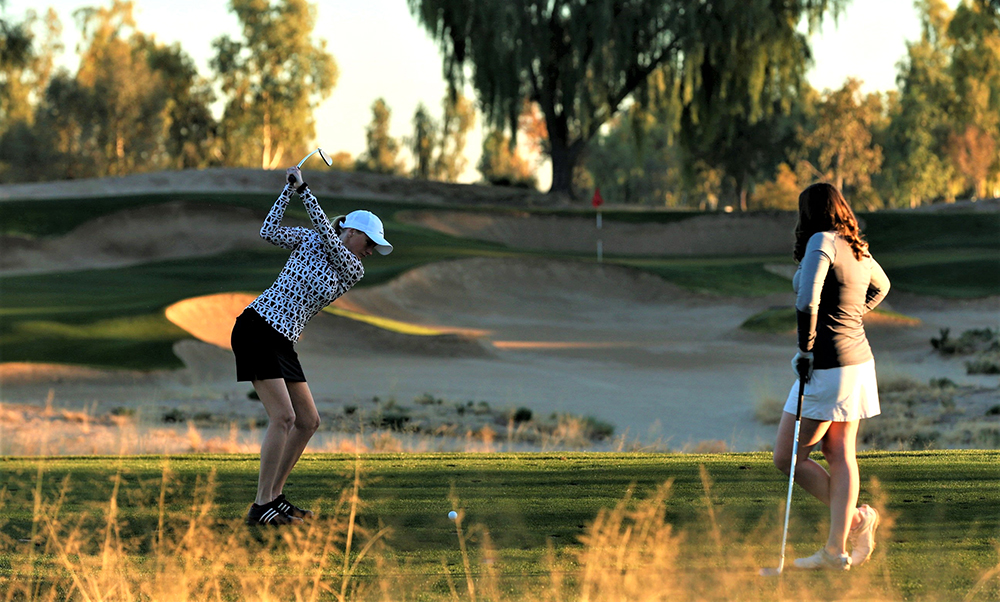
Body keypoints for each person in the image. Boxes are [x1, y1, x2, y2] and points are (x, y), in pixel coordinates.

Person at [231, 166, 392, 526]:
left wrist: (306, 190)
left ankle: (275, 497)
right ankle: (261, 506)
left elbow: (330, 240)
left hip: (283, 340)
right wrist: (288, 190)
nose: (370, 252)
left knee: (308, 421)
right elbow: (268, 231)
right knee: (284, 417)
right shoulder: (311, 238)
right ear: (352, 232)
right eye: (369, 243)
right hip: (258, 328)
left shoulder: (351, 267)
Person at [772, 182, 889, 570]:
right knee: (838, 453)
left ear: (809, 213)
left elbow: (807, 300)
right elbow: (882, 287)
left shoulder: (821, 240)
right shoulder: (856, 247)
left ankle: (855, 521)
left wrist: (807, 348)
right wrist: (851, 316)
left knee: (789, 456)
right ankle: (837, 549)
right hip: (858, 364)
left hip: (829, 366)